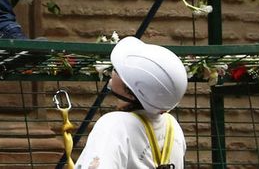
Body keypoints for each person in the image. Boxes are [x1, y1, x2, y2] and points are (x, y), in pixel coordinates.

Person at [76, 37, 188, 168]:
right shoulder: (173, 126)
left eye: (117, 70)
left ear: (132, 90)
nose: (113, 72)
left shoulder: (114, 125)